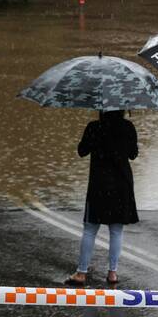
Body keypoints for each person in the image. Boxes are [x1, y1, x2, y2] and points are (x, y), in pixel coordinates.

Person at [64, 110, 139, 286]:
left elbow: (82, 151)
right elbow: (133, 154)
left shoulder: (94, 127)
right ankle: (112, 273)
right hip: (122, 183)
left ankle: (81, 273)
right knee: (116, 230)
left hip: (99, 183)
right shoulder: (128, 127)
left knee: (90, 228)